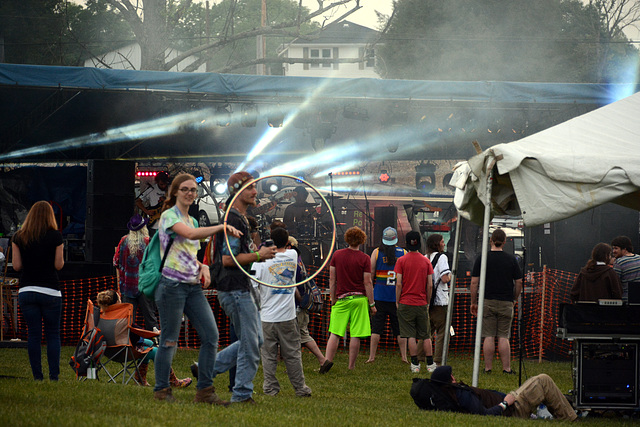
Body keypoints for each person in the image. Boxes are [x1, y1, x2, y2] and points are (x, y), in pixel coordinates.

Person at [153, 172, 241, 404]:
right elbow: (190, 235)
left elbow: (187, 251)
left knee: (211, 336)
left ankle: (204, 392)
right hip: (171, 285)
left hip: (192, 287)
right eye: (185, 189)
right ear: (175, 192)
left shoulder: (192, 219)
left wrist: (202, 266)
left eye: (194, 190)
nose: (191, 193)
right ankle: (161, 391)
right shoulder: (168, 216)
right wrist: (220, 227)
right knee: (169, 340)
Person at [211, 171, 277, 404]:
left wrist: (259, 255)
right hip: (234, 289)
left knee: (255, 341)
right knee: (251, 344)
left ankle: (207, 370)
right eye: (250, 188)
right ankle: (241, 393)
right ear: (237, 191)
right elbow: (228, 259)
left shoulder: (238, 218)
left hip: (240, 287)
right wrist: (259, 255)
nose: (255, 191)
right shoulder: (234, 220)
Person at [252, 227, 312, 397]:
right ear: (287, 242)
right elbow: (293, 248)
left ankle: (270, 389)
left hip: (267, 317)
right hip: (287, 316)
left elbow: (254, 287)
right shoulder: (292, 256)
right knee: (292, 354)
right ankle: (300, 388)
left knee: (268, 356)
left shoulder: (260, 261)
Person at [11, 201, 64, 381]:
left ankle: (37, 376)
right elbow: (59, 265)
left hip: (27, 289)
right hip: (50, 290)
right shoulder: (55, 236)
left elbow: (17, 266)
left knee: (33, 334)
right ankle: (54, 376)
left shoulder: (19, 237)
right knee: (52, 334)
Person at [96, 289, 191, 387]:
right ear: (116, 302)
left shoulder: (101, 315)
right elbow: (136, 332)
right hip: (123, 351)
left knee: (149, 343)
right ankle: (173, 381)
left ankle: (140, 378)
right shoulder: (121, 317)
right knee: (157, 352)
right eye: (119, 299)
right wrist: (155, 333)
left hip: (107, 351)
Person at [430, 365, 577, 421]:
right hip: (513, 409)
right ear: (449, 380)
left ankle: (565, 410)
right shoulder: (463, 396)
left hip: (509, 403)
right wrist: (505, 403)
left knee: (534, 381)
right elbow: (484, 415)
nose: (454, 377)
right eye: (452, 376)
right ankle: (569, 418)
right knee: (543, 380)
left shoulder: (452, 396)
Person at [323, 226, 375, 372]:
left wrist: (333, 298)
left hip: (342, 298)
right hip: (359, 299)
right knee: (356, 334)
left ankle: (327, 363)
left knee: (335, 333)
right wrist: (372, 304)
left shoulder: (337, 255)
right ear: (362, 240)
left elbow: (332, 279)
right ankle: (351, 366)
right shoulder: (365, 258)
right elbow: (367, 282)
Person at [470, 228, 522, 375]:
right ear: (504, 242)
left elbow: (474, 282)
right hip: (506, 301)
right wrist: (514, 298)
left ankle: (488, 368)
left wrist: (473, 301)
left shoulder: (482, 258)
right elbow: (518, 282)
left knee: (488, 335)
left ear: (491, 241)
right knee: (504, 336)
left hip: (487, 301)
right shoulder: (511, 259)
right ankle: (506, 368)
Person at [395, 230, 436, 374]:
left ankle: (415, 364)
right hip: (421, 303)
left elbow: (398, 283)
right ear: (419, 243)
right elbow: (430, 284)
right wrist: (427, 301)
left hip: (406, 302)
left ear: (406, 243)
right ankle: (430, 364)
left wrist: (397, 300)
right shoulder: (426, 261)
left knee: (410, 335)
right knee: (426, 335)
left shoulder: (401, 261)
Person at [366, 226, 408, 364]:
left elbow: (371, 274)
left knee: (376, 328)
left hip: (379, 296)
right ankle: (404, 357)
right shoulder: (403, 252)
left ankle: (372, 357)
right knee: (399, 328)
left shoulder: (377, 252)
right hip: (397, 297)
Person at [113, 214, 158, 331]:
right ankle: (155, 343)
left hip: (127, 286)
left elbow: (116, 261)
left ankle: (128, 343)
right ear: (144, 228)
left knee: (128, 319)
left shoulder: (123, 241)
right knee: (150, 318)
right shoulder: (149, 242)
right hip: (145, 286)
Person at [426, 233, 452, 367]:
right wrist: (451, 275)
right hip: (440, 300)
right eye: (442, 241)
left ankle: (420, 357)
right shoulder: (442, 257)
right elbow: (445, 278)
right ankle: (438, 360)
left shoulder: (425, 257)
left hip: (426, 300)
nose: (444, 243)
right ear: (437, 244)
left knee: (426, 332)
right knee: (442, 332)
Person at [610, 235, 640, 303]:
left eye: (616, 248)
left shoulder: (619, 263)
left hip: (625, 302)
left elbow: (615, 285)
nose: (613, 251)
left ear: (624, 249)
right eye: (613, 248)